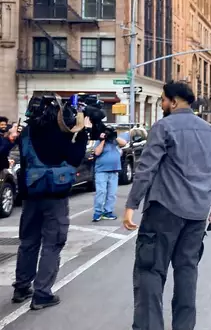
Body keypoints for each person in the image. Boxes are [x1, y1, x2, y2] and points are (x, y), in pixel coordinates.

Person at [119, 81, 211, 330]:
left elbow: (146, 169)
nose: (163, 105)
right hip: (197, 213)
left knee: (150, 267)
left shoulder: (164, 127)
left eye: (164, 100)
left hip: (164, 209)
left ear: (174, 101)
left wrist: (131, 205)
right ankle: (183, 328)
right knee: (187, 267)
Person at [12, 99, 89, 309]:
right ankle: (42, 293)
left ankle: (21, 287)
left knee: (28, 241)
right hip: (55, 195)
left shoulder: (28, 131)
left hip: (31, 193)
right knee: (52, 243)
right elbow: (75, 159)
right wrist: (81, 133)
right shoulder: (62, 132)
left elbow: (24, 159)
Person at [91, 129, 128, 222]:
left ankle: (108, 212)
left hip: (114, 171)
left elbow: (123, 143)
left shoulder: (115, 141)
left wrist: (114, 136)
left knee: (112, 193)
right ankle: (98, 212)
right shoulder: (99, 141)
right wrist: (103, 140)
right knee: (101, 192)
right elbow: (97, 152)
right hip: (101, 171)